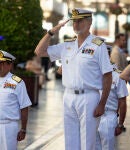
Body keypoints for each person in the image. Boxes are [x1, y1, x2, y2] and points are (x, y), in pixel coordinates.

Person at [34, 8, 113, 150]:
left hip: (89, 97)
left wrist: (102, 103)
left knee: (88, 141)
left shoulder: (98, 46)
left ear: (89, 23)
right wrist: (51, 32)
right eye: (74, 22)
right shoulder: (67, 45)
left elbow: (107, 76)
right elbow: (39, 52)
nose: (76, 25)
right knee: (70, 140)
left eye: (79, 21)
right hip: (68, 96)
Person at [96, 45, 128, 150]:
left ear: (108, 55)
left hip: (108, 117)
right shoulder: (93, 72)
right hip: (92, 116)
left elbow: (123, 101)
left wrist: (120, 124)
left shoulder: (118, 76)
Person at [0, 50, 32, 150]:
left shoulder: (17, 82)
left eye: (1, 63)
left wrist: (23, 129)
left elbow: (24, 106)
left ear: (9, 65)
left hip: (8, 127)